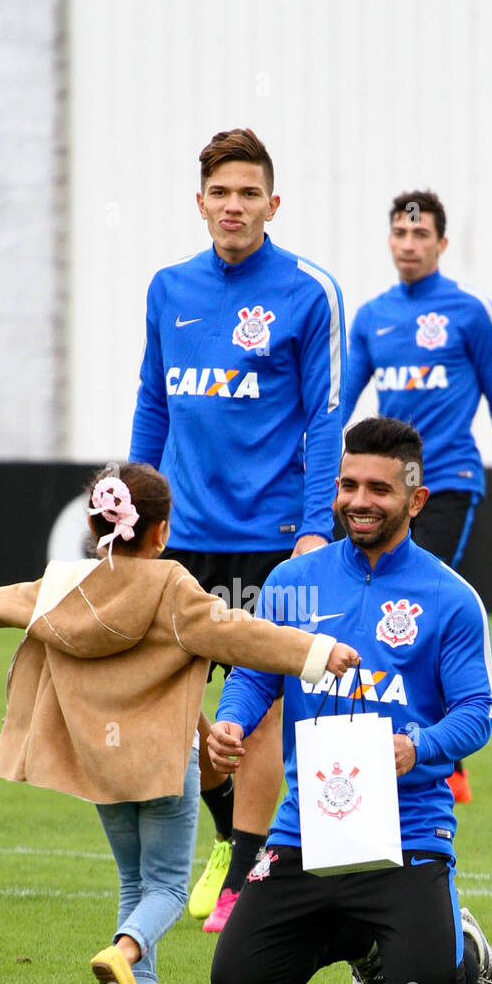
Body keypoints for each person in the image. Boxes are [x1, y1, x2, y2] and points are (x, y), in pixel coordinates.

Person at [0, 463, 359, 984]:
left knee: (133, 880)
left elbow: (8, 602)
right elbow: (242, 633)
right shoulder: (172, 586)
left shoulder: (64, 586)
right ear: (162, 531)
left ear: (97, 524)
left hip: (97, 762)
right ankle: (123, 954)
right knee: (169, 884)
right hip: (164, 763)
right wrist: (318, 651)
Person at [207, 418, 492, 984]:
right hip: (308, 826)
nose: (359, 501)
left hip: (410, 831)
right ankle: (367, 943)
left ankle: (468, 948)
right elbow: (254, 675)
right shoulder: (292, 582)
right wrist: (232, 724)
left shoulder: (450, 597)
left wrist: (417, 747)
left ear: (416, 499)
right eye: (348, 485)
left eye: (379, 489)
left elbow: (477, 712)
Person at [129, 127, 346, 931]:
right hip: (182, 536)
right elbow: (154, 400)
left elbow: (325, 418)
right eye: (220, 193)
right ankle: (226, 837)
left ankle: (246, 864)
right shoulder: (167, 289)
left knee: (256, 710)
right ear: (200, 203)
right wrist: (131, 514)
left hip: (273, 535)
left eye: (248, 192)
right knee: (176, 710)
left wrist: (313, 529)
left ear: (272, 204)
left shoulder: (307, 291)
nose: (233, 206)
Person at [343, 189, 492, 801]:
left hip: (445, 483)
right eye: (400, 235)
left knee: (416, 606)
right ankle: (374, 743)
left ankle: (441, 753)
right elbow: (340, 407)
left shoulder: (471, 312)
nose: (409, 244)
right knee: (370, 610)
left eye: (421, 235)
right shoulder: (371, 316)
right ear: (389, 241)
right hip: (380, 488)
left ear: (441, 243)